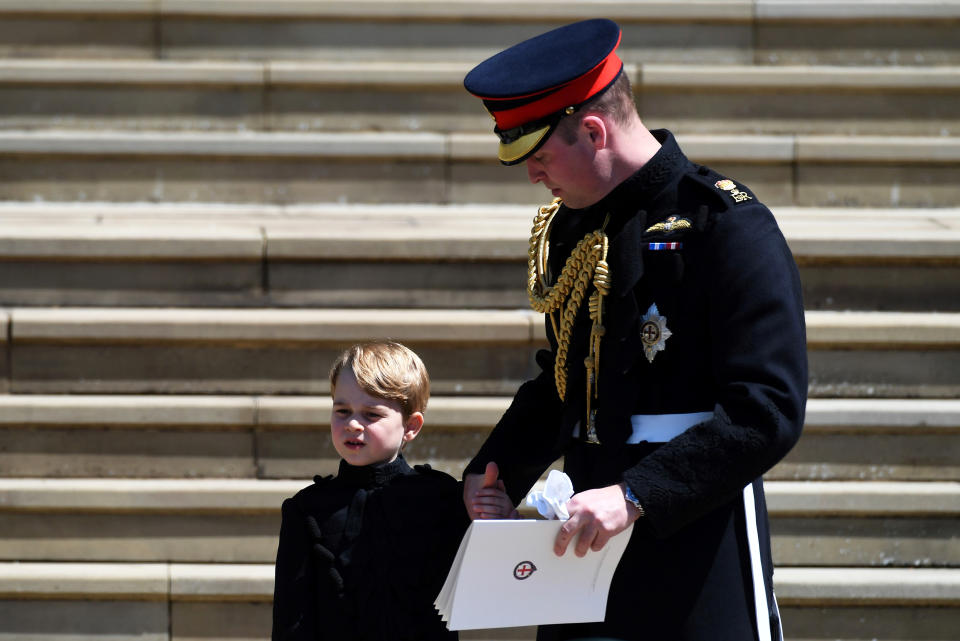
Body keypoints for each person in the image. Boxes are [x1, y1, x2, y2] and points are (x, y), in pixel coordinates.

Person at [460, 18, 808, 641]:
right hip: (583, 538)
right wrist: (493, 472)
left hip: (695, 534)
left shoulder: (724, 224)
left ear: (593, 131)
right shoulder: (572, 227)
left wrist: (638, 493)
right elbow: (565, 376)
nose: (533, 176)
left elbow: (767, 410)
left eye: (540, 155)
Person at [271, 340, 515, 641]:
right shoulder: (307, 509)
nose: (353, 424)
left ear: (411, 426)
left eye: (371, 414)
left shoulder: (442, 498)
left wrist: (505, 523)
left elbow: (496, 580)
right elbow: (291, 619)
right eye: (342, 410)